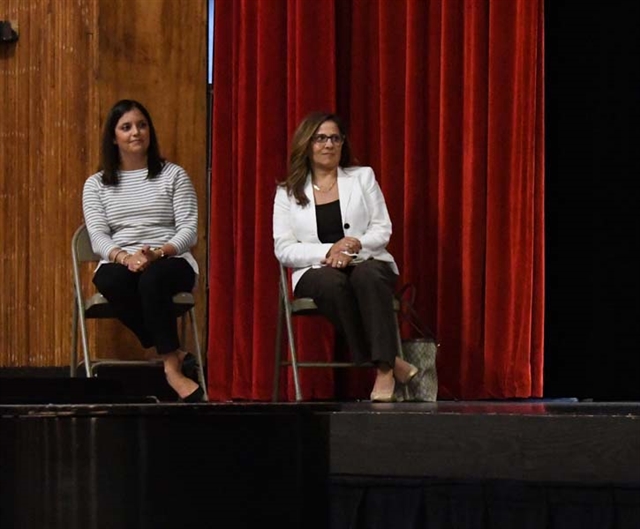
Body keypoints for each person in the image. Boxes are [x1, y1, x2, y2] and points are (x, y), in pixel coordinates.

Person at [272, 111, 418, 402]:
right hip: (316, 269)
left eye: (335, 138)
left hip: (365, 260)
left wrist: (353, 246)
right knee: (332, 285)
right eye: (321, 138)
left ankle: (385, 371)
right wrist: (329, 251)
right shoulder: (287, 192)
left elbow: (382, 228)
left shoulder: (362, 177)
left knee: (367, 277)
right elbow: (284, 248)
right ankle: (387, 361)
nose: (328, 145)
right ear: (307, 144)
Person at [82, 99, 204, 402]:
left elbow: (189, 231)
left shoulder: (173, 175)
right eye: (126, 127)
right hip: (122, 259)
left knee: (152, 281)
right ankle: (172, 353)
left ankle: (171, 370)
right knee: (108, 280)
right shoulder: (96, 184)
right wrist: (126, 257)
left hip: (170, 258)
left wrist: (157, 254)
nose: (136, 132)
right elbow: (97, 237)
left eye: (142, 125)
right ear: (114, 137)